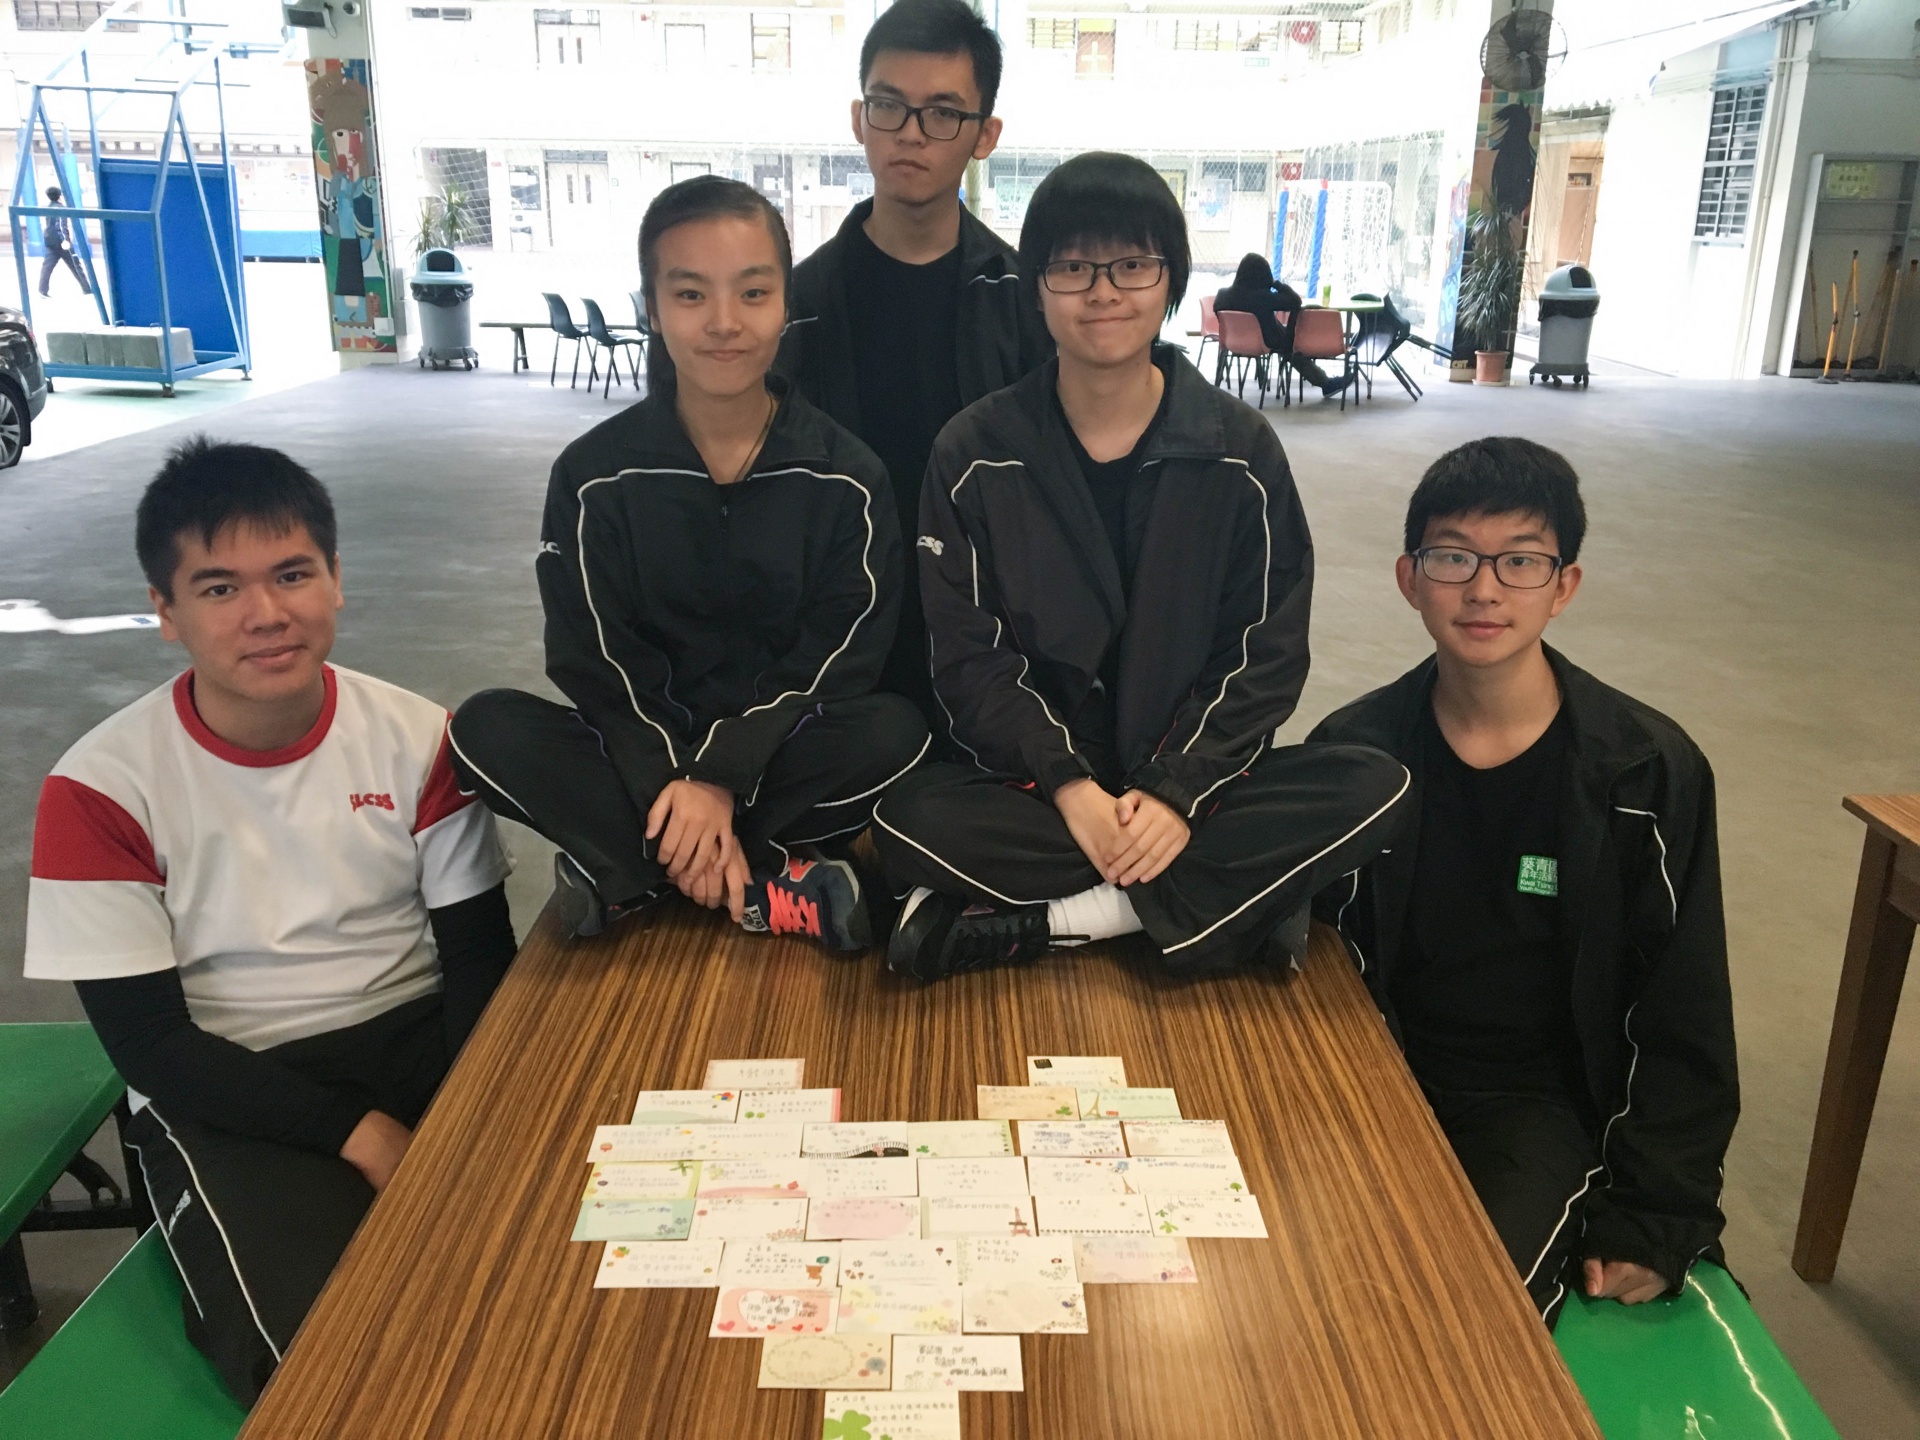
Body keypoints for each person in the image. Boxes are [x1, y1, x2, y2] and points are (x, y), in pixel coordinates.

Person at [23, 438, 516, 1405]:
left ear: (335, 578)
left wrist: (465, 1119)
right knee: (331, 1363)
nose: (266, 613)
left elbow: (476, 956)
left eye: (292, 573)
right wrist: (360, 1132)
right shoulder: (98, 790)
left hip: (422, 1041)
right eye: (219, 588)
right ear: (165, 612)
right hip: (229, 1084)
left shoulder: (421, 737)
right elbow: (151, 1045)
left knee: (561, 1263)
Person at [872, 152, 1408, 980]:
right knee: (909, 820)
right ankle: (1235, 902)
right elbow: (969, 659)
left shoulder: (1240, 450)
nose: (1103, 291)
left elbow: (1264, 652)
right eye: (1073, 267)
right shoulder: (973, 451)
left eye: (1131, 265)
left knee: (1373, 787)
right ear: (1036, 286)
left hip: (1191, 781)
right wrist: (1073, 790)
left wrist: (1172, 792)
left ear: (1170, 280)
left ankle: (1061, 921)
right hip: (1043, 793)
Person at [1309, 437, 1739, 1324]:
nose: (1484, 589)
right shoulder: (1355, 755)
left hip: (1535, 1105)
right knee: (1291, 1277)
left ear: (1564, 585)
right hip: (1373, 1075)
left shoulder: (1645, 773)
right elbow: (1308, 957)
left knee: (1463, 1314)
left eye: (1520, 561)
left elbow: (1684, 1008)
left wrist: (1655, 1213)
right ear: (1409, 577)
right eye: (1453, 557)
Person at [451, 177, 928, 950]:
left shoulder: (846, 475)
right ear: (652, 306)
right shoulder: (594, 476)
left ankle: (631, 872)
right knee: (484, 729)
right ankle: (759, 879)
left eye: (753, 292)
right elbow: (594, 655)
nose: (725, 322)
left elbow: (842, 653)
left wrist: (722, 775)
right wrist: (677, 777)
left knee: (895, 732)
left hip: (779, 754)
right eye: (691, 294)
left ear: (786, 303)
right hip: (640, 754)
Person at [777, 0, 1052, 733]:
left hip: (990, 641)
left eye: (943, 113)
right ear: (858, 118)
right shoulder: (795, 308)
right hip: (833, 640)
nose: (910, 132)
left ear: (985, 135)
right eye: (889, 104)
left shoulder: (1029, 306)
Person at [1212, 252, 1348, 400]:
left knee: (1286, 340)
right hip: (1267, 341)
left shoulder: (1222, 295)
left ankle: (1325, 382)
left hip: (1232, 343)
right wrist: (1274, 283)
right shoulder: (1263, 297)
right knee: (1293, 348)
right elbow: (1295, 301)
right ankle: (1326, 383)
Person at [37, 185, 93, 298]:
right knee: (75, 265)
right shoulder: (61, 208)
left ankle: (42, 290)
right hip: (62, 243)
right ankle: (87, 289)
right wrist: (65, 240)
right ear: (59, 196)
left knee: (47, 267)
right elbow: (61, 225)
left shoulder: (48, 207)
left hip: (50, 241)